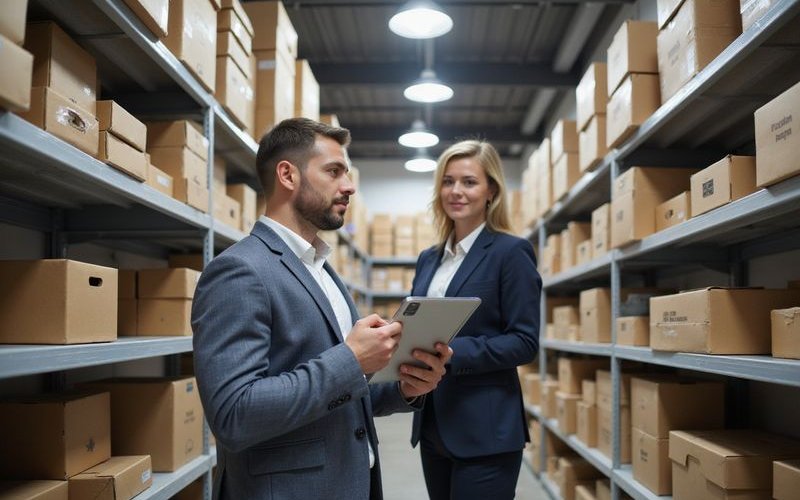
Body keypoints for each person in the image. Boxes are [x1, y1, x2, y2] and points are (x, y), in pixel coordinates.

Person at [191, 118, 452, 500]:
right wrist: (351, 358)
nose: (349, 186)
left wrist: (406, 387)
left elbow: (345, 391)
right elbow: (233, 414)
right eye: (334, 171)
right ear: (288, 175)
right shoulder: (239, 271)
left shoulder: (322, 270)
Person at [409, 140, 542, 500]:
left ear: (491, 191)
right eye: (448, 181)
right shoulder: (428, 259)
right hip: (433, 421)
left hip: (486, 430)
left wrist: (455, 352)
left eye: (469, 182)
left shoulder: (510, 253)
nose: (456, 191)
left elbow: (525, 341)